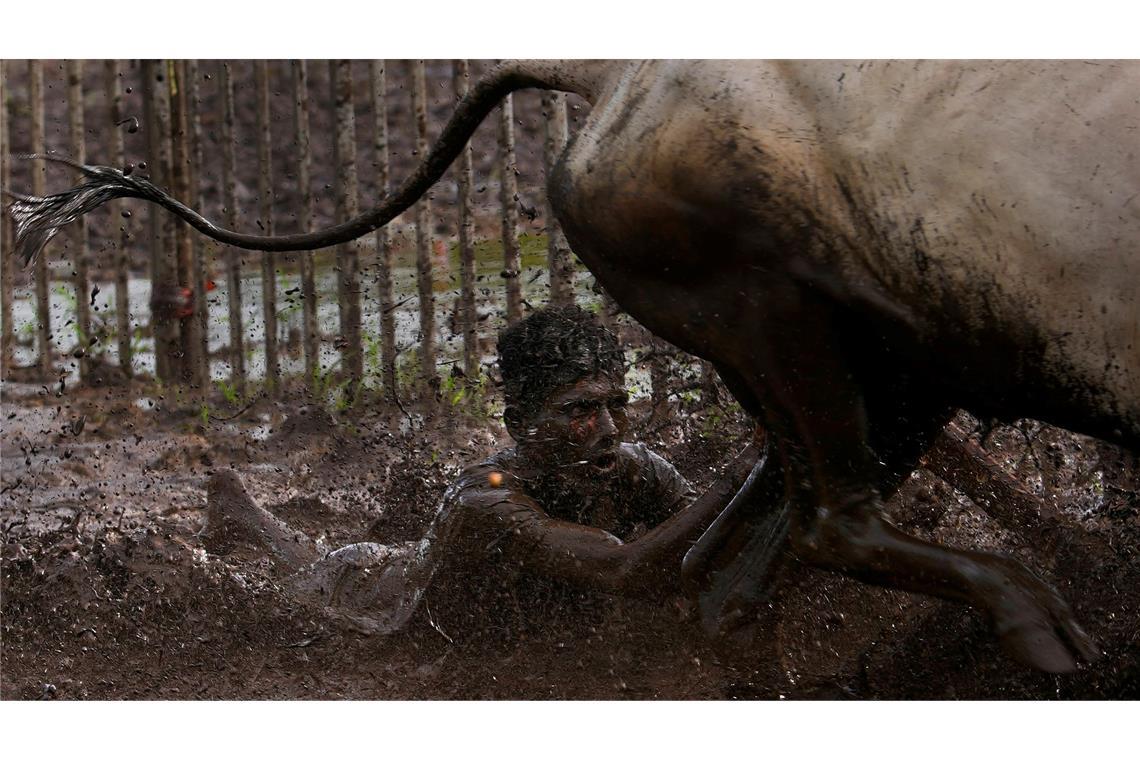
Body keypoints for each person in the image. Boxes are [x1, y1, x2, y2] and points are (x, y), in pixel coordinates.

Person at [205, 305, 761, 643]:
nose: (609, 428)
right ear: (519, 423)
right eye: (580, 410)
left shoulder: (633, 468)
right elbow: (619, 568)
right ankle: (242, 511)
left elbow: (715, 543)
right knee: (304, 568)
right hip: (372, 596)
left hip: (427, 564)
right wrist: (743, 469)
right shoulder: (485, 501)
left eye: (616, 404)